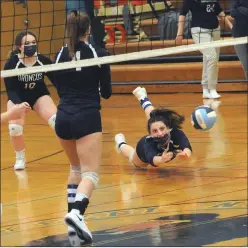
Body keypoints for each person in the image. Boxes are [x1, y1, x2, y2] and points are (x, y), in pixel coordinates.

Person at [54, 11, 111, 244]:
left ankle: (72, 222)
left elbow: (58, 85)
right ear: (88, 29)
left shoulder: (60, 54)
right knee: (90, 174)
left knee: (75, 168)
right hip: (86, 116)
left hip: (63, 117)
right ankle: (76, 212)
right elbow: (106, 92)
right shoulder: (98, 53)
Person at [3, 31, 57, 170]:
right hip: (18, 99)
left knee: (57, 122)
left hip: (39, 96)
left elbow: (57, 80)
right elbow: (10, 90)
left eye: (34, 42)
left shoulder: (42, 60)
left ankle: (74, 152)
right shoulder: (12, 63)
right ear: (19, 47)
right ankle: (20, 158)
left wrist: (67, 96)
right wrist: (19, 104)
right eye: (27, 43)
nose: (31, 45)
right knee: (14, 128)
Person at [115, 87, 192, 169]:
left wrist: (186, 153)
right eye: (155, 131)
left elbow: (186, 146)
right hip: (141, 152)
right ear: (150, 134)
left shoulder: (175, 132)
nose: (160, 133)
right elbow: (153, 160)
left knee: (155, 118)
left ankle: (143, 98)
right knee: (133, 158)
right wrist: (162, 159)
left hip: (159, 129)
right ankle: (120, 144)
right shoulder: (148, 143)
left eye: (162, 129)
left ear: (168, 127)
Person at [176, 0, 232, 99]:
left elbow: (219, 11)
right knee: (212, 56)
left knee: (211, 59)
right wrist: (179, 33)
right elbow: (182, 14)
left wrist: (231, 26)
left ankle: (205, 89)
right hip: (199, 31)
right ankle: (212, 88)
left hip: (215, 30)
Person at [230, 0, 248, 79]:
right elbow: (233, 12)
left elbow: (236, 11)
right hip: (238, 35)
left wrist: (240, 9)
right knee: (246, 65)